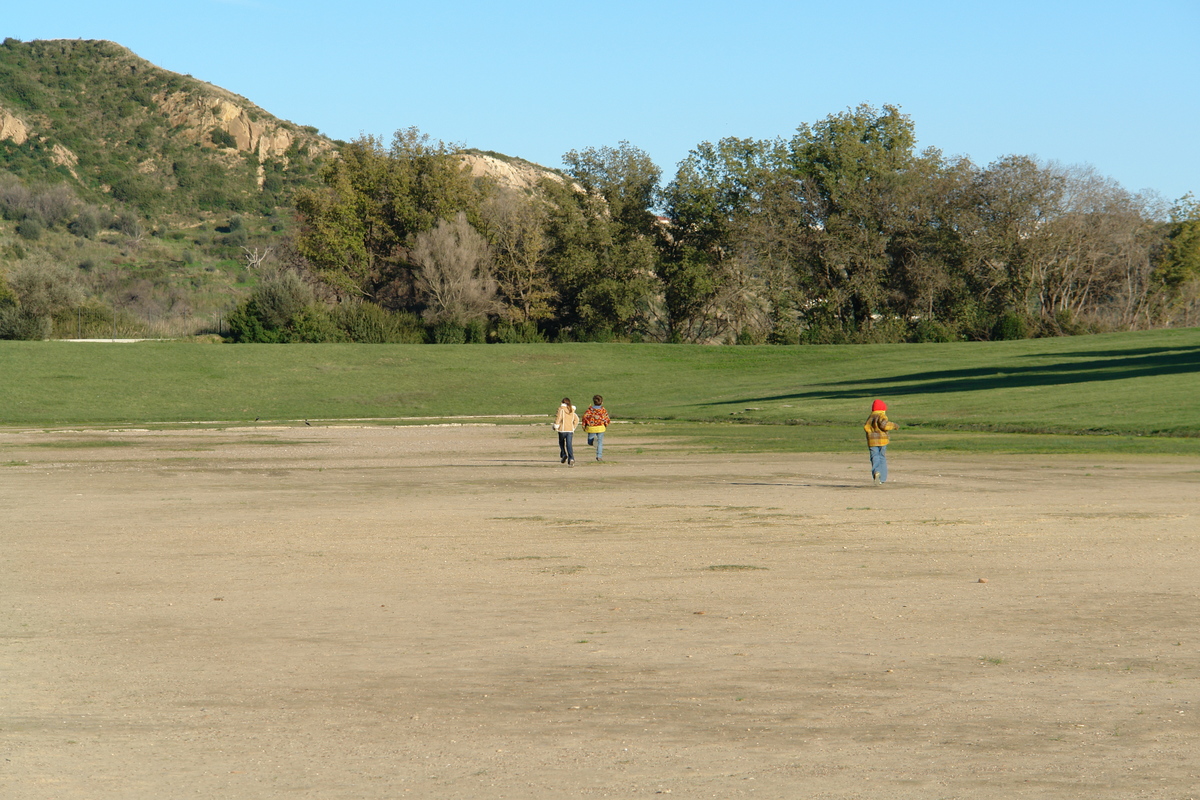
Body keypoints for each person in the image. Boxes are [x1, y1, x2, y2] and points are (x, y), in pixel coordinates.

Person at [864, 399, 899, 485]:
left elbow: (866, 427)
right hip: (882, 441)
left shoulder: (870, 417)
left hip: (872, 441)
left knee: (874, 457)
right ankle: (882, 478)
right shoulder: (882, 416)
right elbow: (884, 425)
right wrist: (894, 426)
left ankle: (876, 471)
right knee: (882, 457)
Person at [582, 395, 611, 461]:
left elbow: (584, 418)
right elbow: (607, 419)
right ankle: (599, 456)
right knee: (600, 443)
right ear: (602, 402)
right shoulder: (603, 410)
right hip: (601, 428)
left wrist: (584, 426)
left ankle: (592, 441)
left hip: (592, 428)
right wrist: (606, 425)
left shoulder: (589, 410)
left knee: (590, 441)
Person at [553, 397, 580, 466]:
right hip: (570, 430)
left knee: (561, 442)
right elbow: (576, 419)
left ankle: (564, 454)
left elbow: (558, 418)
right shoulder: (572, 410)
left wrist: (556, 426)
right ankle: (571, 458)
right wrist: (573, 427)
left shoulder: (561, 409)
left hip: (562, 430)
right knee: (569, 444)